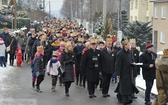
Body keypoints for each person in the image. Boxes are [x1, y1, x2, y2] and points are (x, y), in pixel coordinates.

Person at [115, 38, 139, 105]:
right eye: (128, 44)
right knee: (124, 86)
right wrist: (118, 73)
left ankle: (121, 96)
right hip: (123, 72)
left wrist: (133, 63)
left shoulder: (129, 52)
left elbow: (131, 60)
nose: (129, 45)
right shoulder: (120, 53)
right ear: (125, 45)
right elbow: (118, 64)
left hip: (129, 72)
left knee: (127, 85)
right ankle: (126, 100)